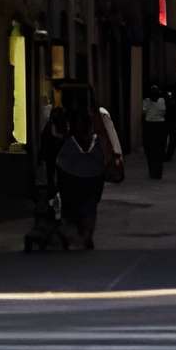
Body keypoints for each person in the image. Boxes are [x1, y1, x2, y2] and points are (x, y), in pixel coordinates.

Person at [55, 105, 109, 249]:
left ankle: (77, 235)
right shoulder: (96, 142)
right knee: (89, 208)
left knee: (73, 208)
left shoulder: (69, 142)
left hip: (72, 179)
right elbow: (102, 162)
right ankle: (86, 234)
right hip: (91, 179)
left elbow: (61, 163)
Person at [141, 85, 168, 179]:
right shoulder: (162, 101)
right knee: (158, 150)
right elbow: (164, 112)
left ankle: (153, 172)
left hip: (151, 126)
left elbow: (144, 112)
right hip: (159, 126)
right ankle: (157, 172)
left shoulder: (146, 102)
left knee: (151, 151)